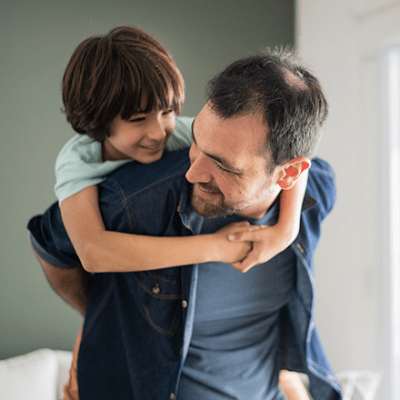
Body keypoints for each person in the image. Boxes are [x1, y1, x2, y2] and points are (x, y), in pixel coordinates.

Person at [28, 47, 342, 399]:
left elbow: (311, 169)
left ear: (288, 173)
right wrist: (101, 319)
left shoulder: (313, 195)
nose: (192, 172)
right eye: (195, 141)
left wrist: (286, 230)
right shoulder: (132, 199)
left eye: (223, 165)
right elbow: (50, 241)